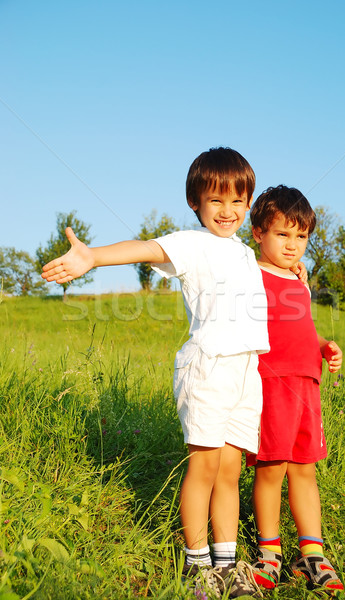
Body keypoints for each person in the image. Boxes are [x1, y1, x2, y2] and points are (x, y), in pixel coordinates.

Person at [42, 148, 305, 598]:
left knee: (229, 471)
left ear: (249, 203)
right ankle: (197, 564)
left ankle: (226, 564)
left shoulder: (244, 253)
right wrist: (93, 258)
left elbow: (269, 270)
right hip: (208, 367)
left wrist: (294, 269)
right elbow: (145, 248)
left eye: (238, 201)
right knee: (203, 467)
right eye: (216, 201)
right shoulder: (190, 243)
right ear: (195, 203)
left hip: (247, 372)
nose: (228, 211)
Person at [247, 185, 344, 594]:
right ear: (258, 234)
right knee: (272, 467)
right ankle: (269, 554)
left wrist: (324, 347)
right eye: (282, 234)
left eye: (300, 236)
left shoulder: (300, 281)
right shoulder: (250, 273)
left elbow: (305, 328)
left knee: (305, 468)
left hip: (307, 384)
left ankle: (312, 555)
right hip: (271, 382)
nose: (292, 245)